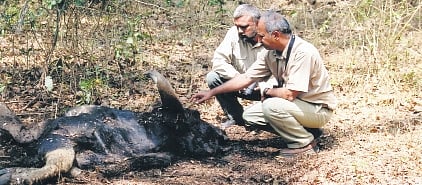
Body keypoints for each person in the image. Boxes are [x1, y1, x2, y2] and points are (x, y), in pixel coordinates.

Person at [191, 10, 337, 157]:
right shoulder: (271, 53)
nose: (259, 41)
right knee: (249, 116)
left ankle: (304, 143)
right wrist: (211, 92)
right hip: (296, 106)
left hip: (317, 109)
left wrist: (266, 91)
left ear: (275, 35)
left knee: (270, 105)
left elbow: (289, 94)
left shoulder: (303, 52)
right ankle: (306, 131)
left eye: (261, 36)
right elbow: (246, 78)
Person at [206, 4, 275, 129]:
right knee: (213, 77)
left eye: (244, 27)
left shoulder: (272, 36)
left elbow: (286, 70)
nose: (239, 31)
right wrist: (237, 78)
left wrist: (266, 84)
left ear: (257, 23)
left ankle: (269, 123)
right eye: (237, 26)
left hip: (268, 89)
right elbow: (218, 60)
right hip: (242, 85)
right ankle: (236, 118)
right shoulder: (234, 33)